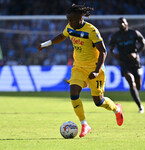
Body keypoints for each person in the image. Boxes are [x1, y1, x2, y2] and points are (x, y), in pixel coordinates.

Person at [38, 4, 124, 138]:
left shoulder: (91, 31)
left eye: (72, 20)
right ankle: (85, 124)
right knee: (73, 92)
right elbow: (62, 36)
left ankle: (117, 109)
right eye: (68, 20)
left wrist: (96, 70)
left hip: (95, 68)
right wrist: (46, 44)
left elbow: (103, 51)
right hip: (78, 67)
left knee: (98, 102)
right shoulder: (70, 27)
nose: (70, 23)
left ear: (80, 18)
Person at [109, 17, 145, 113]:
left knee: (138, 86)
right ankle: (140, 107)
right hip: (124, 62)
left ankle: (137, 95)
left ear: (127, 24)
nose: (121, 24)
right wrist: (114, 55)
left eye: (123, 22)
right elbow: (111, 49)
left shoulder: (134, 33)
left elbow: (144, 43)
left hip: (135, 62)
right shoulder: (115, 36)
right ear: (118, 25)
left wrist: (136, 53)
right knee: (131, 81)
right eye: (119, 23)